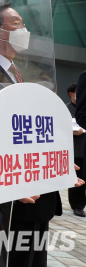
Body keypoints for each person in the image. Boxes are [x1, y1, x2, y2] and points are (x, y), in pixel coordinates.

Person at [0, 2, 74, 267]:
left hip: (36, 190)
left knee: (35, 259)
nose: (25, 30)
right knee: (8, 260)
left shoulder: (17, 72)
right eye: (17, 24)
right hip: (5, 196)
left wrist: (56, 158)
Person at [67, 83, 85, 217]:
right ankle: (77, 206)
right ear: (71, 94)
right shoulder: (66, 109)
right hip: (74, 149)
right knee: (77, 178)